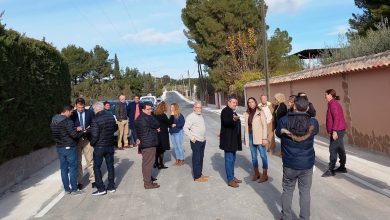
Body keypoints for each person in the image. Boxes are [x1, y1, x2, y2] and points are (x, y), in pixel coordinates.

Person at [275, 96, 319, 220]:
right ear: (307, 108)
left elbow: (278, 133)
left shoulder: (284, 121)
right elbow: (314, 132)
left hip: (289, 163)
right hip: (306, 164)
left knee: (287, 190)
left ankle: (286, 217)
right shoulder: (313, 122)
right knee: (305, 192)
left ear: (294, 106)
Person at [51, 104, 83, 195]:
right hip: (70, 147)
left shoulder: (54, 120)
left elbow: (62, 131)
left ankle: (66, 189)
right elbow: (74, 135)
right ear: (67, 111)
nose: (71, 114)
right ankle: (74, 189)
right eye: (71, 112)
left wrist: (74, 129)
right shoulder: (67, 121)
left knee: (64, 169)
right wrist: (82, 131)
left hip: (59, 147)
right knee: (73, 168)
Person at [89, 102, 118, 196]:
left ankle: (101, 188)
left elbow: (94, 135)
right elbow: (114, 128)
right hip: (110, 144)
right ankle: (111, 186)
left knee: (96, 167)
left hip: (99, 146)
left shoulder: (95, 119)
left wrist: (92, 143)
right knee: (110, 166)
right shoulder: (110, 116)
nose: (93, 111)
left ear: (96, 109)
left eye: (93, 109)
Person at [322, 89, 348, 177]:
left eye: (326, 94)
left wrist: (334, 131)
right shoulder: (332, 103)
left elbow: (336, 118)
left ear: (330, 95)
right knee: (340, 148)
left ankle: (331, 169)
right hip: (339, 129)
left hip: (337, 130)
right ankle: (342, 167)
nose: (324, 96)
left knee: (333, 149)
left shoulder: (333, 104)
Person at [70, 98, 95, 190]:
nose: (81, 109)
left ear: (85, 106)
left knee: (90, 161)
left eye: (82, 107)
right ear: (76, 106)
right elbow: (70, 126)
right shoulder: (73, 114)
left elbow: (93, 124)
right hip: (76, 141)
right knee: (78, 162)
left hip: (87, 139)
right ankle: (79, 182)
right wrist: (76, 129)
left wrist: (89, 129)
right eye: (79, 107)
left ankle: (93, 180)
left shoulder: (89, 112)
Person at [135, 102, 161, 189]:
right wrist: (155, 128)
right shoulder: (146, 118)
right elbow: (157, 124)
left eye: (151, 109)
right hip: (149, 143)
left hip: (145, 143)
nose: (150, 111)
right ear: (142, 109)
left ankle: (148, 178)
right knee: (148, 163)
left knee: (146, 163)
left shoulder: (140, 118)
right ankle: (147, 183)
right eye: (148, 109)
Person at [244, 97, 269, 183]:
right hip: (251, 137)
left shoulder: (260, 112)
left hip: (260, 137)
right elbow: (246, 127)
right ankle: (256, 173)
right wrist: (246, 138)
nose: (251, 104)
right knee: (254, 156)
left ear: (255, 102)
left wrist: (264, 138)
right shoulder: (246, 114)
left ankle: (265, 174)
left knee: (263, 156)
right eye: (249, 102)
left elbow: (265, 126)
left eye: (252, 102)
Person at [220, 97, 242, 188]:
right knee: (229, 160)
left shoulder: (232, 111)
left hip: (233, 141)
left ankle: (232, 177)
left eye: (236, 103)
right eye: (233, 102)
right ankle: (230, 180)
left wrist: (236, 119)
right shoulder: (226, 111)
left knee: (232, 160)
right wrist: (234, 119)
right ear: (228, 102)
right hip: (228, 141)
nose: (235, 104)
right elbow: (226, 122)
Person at [184, 102, 208, 182]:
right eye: (197, 107)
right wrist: (192, 137)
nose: (199, 109)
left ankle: (200, 174)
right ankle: (197, 177)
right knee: (196, 159)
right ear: (194, 108)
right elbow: (185, 128)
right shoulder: (191, 116)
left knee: (201, 158)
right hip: (196, 141)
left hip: (202, 140)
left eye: (200, 107)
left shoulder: (200, 115)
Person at [153, 101, 174, 169]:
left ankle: (155, 163)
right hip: (162, 134)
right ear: (164, 107)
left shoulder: (154, 114)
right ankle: (161, 164)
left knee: (157, 149)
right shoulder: (163, 115)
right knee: (162, 150)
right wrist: (172, 115)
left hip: (156, 133)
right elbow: (169, 122)